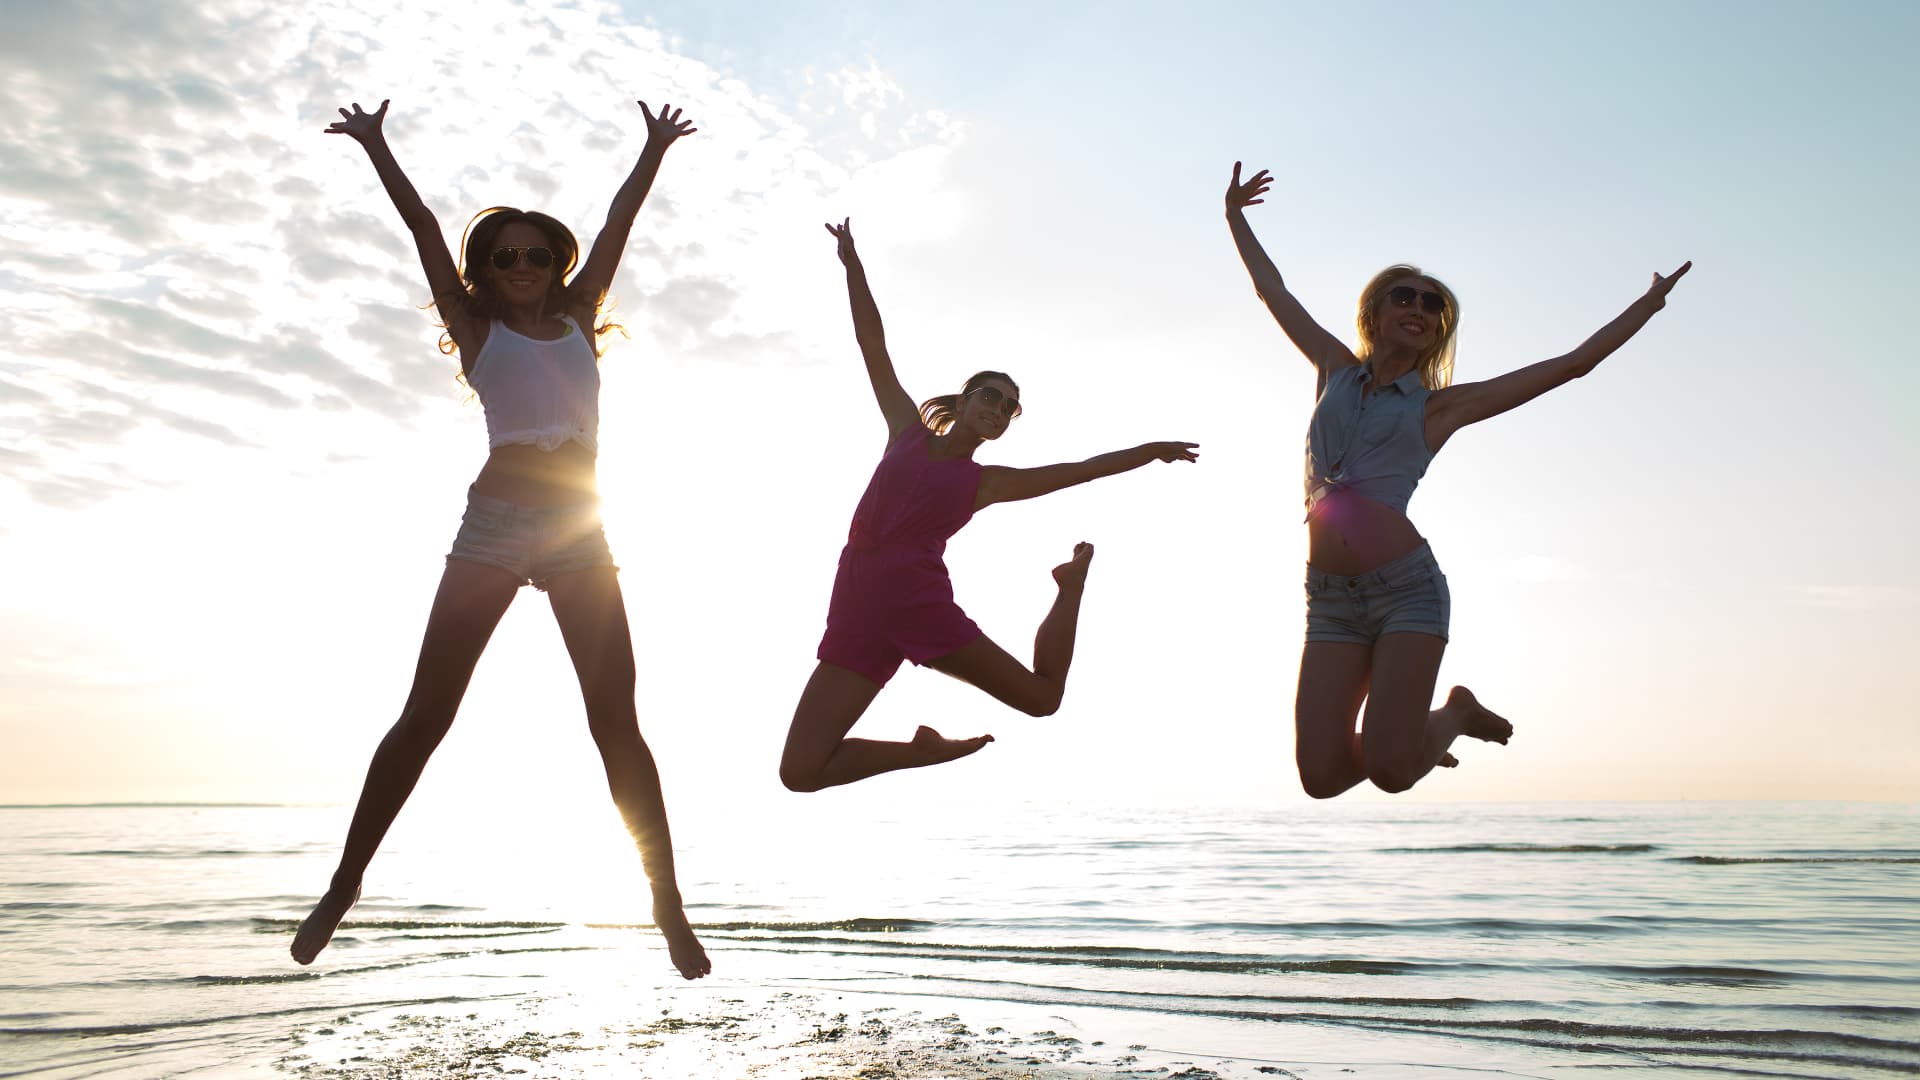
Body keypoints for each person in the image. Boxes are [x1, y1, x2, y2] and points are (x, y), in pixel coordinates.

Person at [291, 98, 710, 979]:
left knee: (617, 726)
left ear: (555, 264)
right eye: (502, 255)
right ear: (484, 269)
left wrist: (652, 150)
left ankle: (665, 902)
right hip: (494, 528)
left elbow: (618, 224)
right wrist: (376, 145)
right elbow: (420, 228)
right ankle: (345, 882)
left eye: (534, 254)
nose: (519, 264)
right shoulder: (475, 327)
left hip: (581, 532)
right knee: (428, 714)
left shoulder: (579, 313)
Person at [1223, 162, 1690, 799]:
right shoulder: (1332, 368)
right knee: (1321, 779)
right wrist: (1235, 217)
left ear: (1440, 328)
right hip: (1330, 598)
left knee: (1389, 773)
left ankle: (1452, 716)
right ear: (1376, 311)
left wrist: (1649, 303)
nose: (1419, 308)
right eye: (1405, 296)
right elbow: (1271, 291)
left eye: (1433, 305)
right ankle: (1417, 736)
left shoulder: (1438, 408)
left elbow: (1574, 365)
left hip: (1405, 592)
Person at [778, 220, 1199, 793]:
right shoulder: (904, 429)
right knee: (800, 772)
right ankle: (921, 753)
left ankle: (1068, 587)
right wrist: (853, 266)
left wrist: (1148, 452)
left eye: (1010, 409)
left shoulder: (986, 483)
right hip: (855, 604)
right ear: (965, 397)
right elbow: (871, 343)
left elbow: (1078, 471)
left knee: (1042, 698)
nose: (999, 410)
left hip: (917, 601)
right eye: (991, 397)